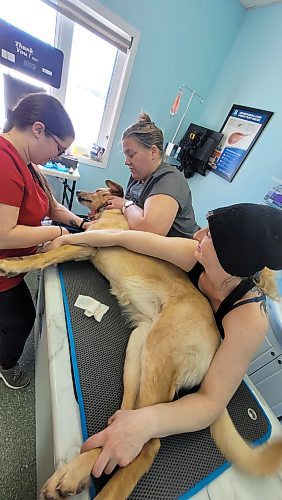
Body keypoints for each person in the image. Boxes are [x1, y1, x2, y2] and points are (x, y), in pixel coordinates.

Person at [43, 202, 282, 477]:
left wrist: (146, 423)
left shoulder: (250, 317)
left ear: (232, 259)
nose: (197, 235)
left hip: (201, 360)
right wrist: (68, 238)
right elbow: (121, 237)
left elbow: (210, 402)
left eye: (210, 235)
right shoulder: (193, 254)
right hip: (170, 326)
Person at [0, 92, 90, 390]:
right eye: (59, 147)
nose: (58, 155)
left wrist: (81, 224)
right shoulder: (5, 163)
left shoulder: (28, 165)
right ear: (38, 129)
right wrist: (58, 233)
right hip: (3, 270)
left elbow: (52, 207)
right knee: (21, 318)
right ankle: (6, 366)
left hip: (13, 266)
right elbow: (4, 233)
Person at [103, 112, 199, 238]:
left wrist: (125, 204)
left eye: (131, 154)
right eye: (125, 155)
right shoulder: (137, 177)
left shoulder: (170, 179)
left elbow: (150, 230)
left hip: (175, 254)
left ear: (153, 152)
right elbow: (131, 217)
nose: (126, 162)